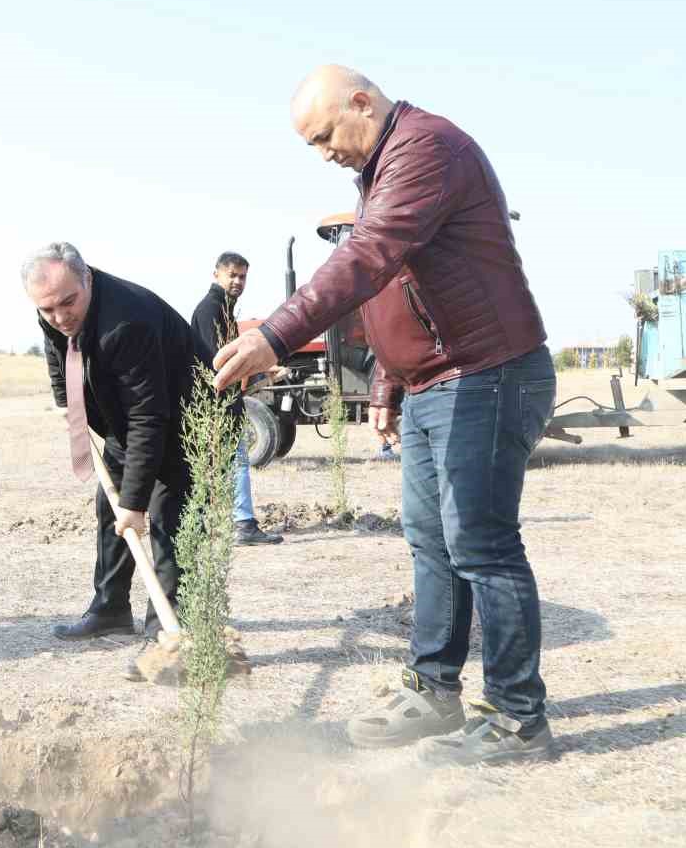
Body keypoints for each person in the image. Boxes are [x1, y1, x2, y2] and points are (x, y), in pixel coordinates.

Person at [214, 65, 556, 765]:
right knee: (431, 542)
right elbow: (394, 289)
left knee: (482, 547)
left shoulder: (428, 150)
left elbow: (369, 261)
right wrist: (388, 388)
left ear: (362, 103)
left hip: (487, 374)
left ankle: (520, 717)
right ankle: (434, 690)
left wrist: (273, 335)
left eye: (323, 136)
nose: (323, 153)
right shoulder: (383, 171)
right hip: (438, 383)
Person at [25, 242, 211, 642]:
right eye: (47, 309)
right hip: (130, 421)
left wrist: (135, 502)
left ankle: (167, 626)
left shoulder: (127, 321)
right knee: (110, 509)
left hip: (188, 422)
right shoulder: (54, 308)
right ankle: (109, 610)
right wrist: (65, 401)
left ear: (87, 277)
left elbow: (151, 415)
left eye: (67, 303)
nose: (59, 316)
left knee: (168, 518)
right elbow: (57, 350)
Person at [190, 251, 282, 546]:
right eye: (232, 275)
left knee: (218, 462)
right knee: (232, 461)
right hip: (215, 399)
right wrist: (259, 372)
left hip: (222, 398)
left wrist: (262, 371)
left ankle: (201, 523)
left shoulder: (224, 310)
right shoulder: (210, 310)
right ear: (216, 274)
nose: (238, 281)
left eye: (242, 276)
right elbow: (216, 361)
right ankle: (241, 524)